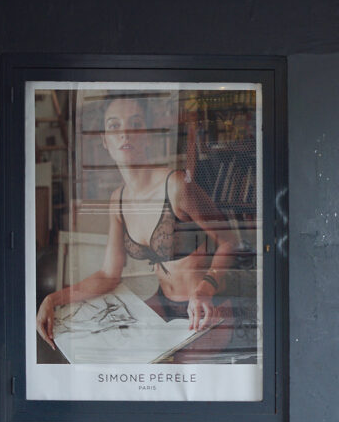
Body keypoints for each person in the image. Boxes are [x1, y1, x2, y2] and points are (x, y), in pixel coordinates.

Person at [36, 93, 237, 352]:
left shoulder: (176, 186)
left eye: (135, 123)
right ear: (105, 141)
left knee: (179, 376)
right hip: (164, 311)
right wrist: (53, 299)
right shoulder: (117, 201)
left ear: (148, 135)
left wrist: (205, 289)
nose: (125, 133)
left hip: (209, 307)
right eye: (114, 125)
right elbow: (109, 275)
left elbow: (230, 239)